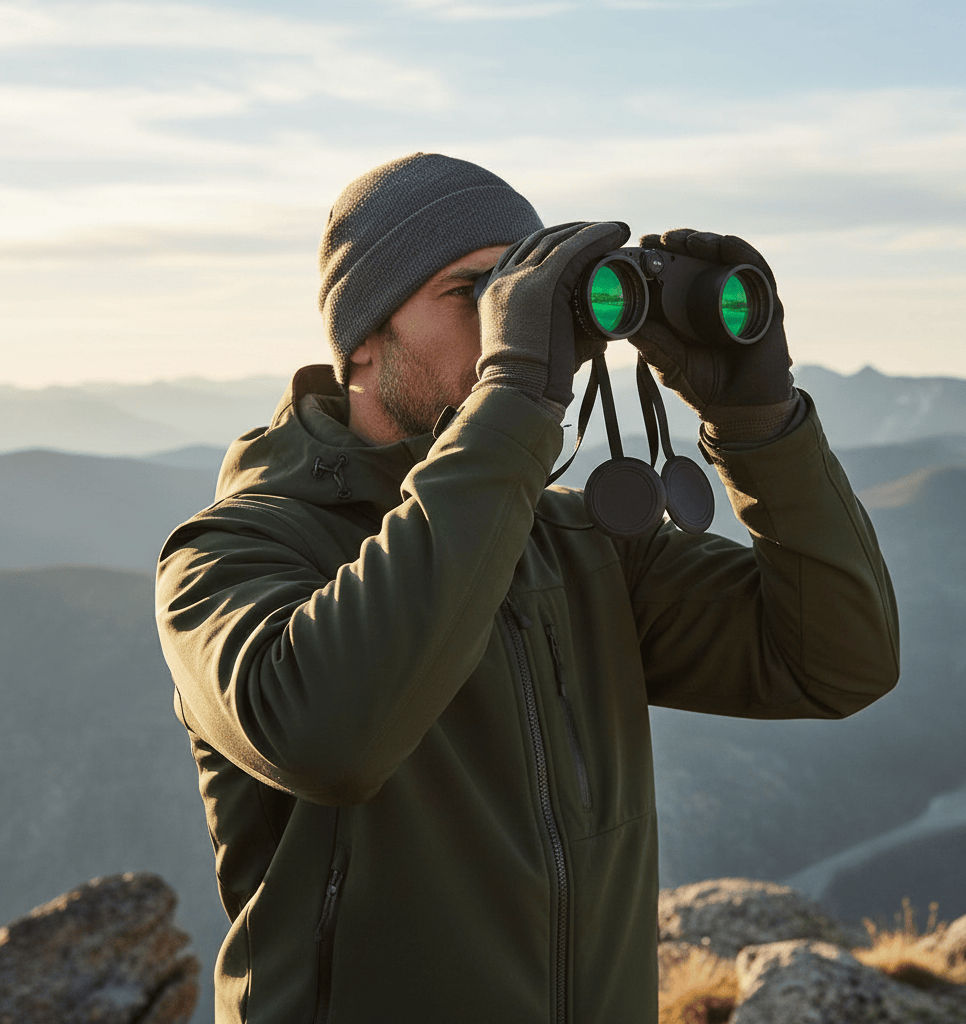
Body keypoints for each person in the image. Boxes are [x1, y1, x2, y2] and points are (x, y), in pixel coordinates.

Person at [155, 152, 899, 1024]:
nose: (517, 327)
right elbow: (332, 737)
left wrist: (759, 424)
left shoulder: (580, 546)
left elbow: (837, 661)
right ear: (362, 337)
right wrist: (511, 398)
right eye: (475, 293)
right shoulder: (230, 553)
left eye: (528, 292)